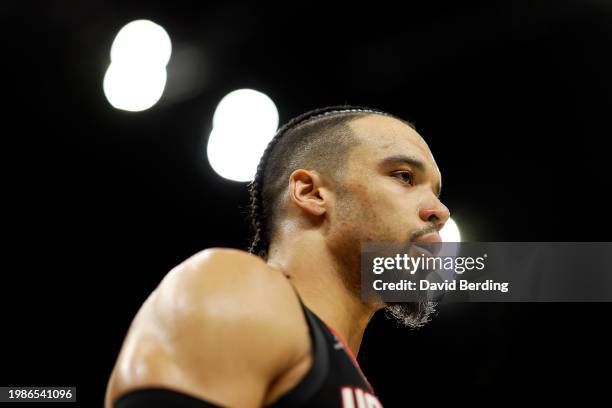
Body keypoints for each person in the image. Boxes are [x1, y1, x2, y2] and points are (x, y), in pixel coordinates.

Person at [105, 105, 450, 407]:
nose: (440, 211)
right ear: (311, 193)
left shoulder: (349, 379)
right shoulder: (235, 288)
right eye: (404, 176)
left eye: (436, 192)